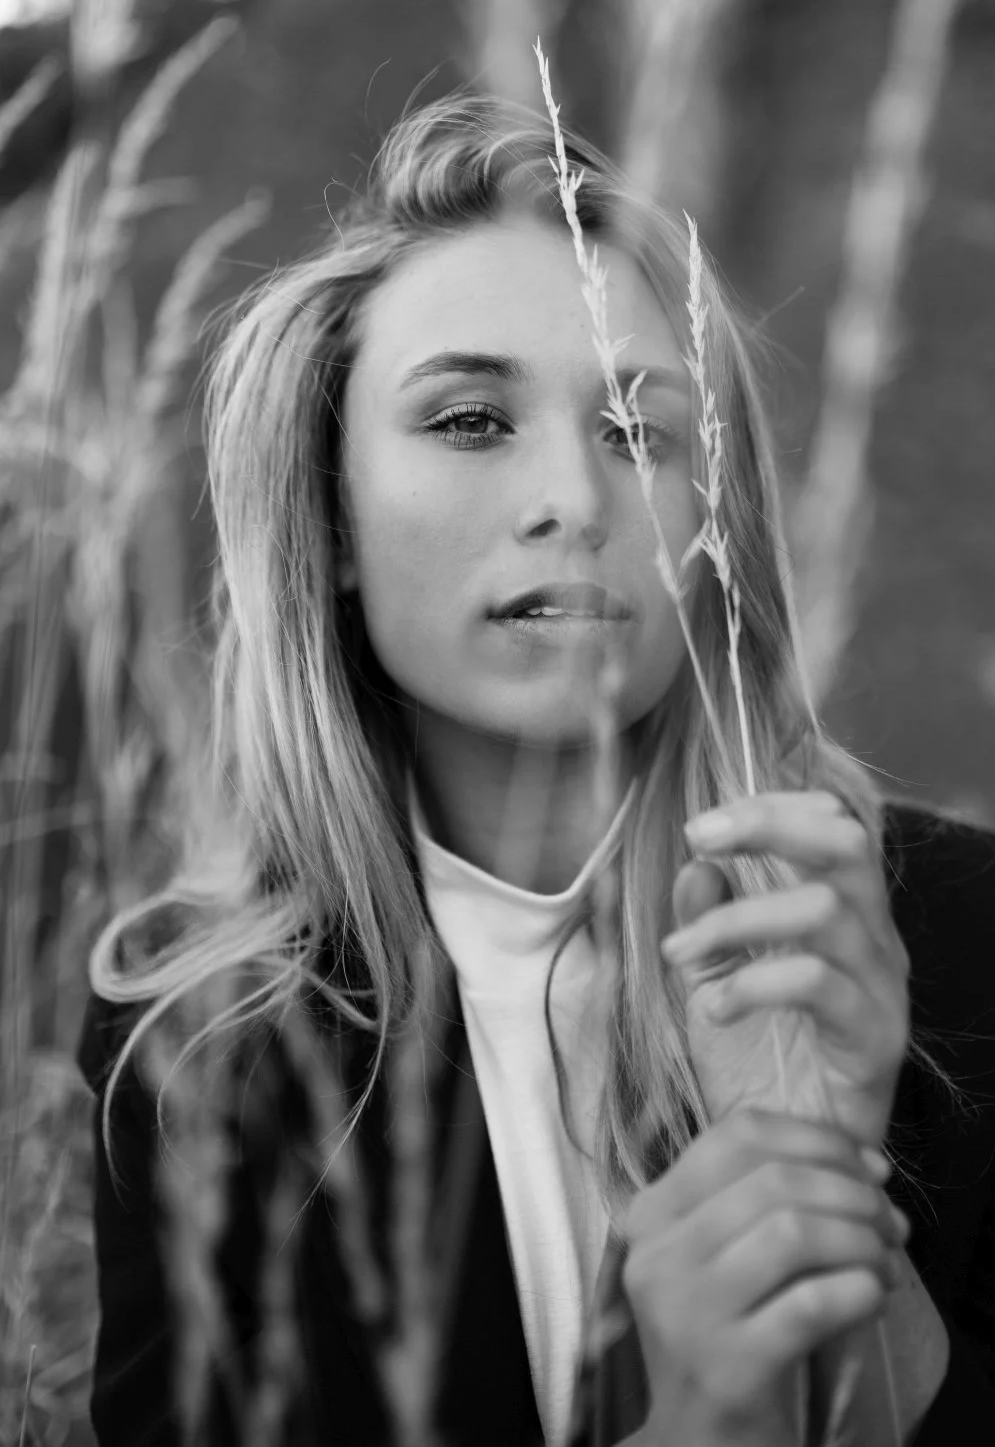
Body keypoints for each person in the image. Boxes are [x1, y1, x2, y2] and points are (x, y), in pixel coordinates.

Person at [77, 92, 995, 1447]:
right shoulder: (203, 1039)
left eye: (639, 431)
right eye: (469, 421)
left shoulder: (952, 936)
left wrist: (836, 1215)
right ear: (329, 521)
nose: (574, 498)